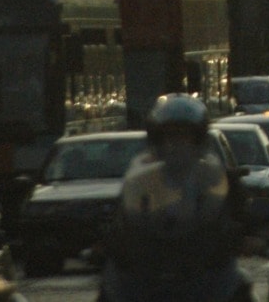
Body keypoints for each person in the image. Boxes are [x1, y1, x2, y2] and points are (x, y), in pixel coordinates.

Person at [97, 94, 255, 302]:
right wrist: (108, 240)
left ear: (198, 139)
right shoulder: (140, 180)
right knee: (109, 292)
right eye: (169, 137)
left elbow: (243, 214)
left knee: (240, 287)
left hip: (206, 267)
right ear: (156, 140)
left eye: (184, 137)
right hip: (147, 269)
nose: (176, 144)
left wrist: (253, 235)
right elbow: (122, 218)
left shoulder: (218, 178)